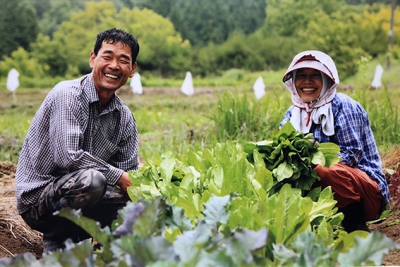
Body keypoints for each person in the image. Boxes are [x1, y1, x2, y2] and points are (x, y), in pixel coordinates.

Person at [15, 28, 140, 252]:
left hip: (83, 195)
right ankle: (58, 242)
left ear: (132, 70)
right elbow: (68, 158)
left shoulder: (124, 118)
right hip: (39, 201)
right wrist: (119, 176)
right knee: (91, 181)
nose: (114, 66)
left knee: (135, 198)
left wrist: (133, 185)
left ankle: (107, 245)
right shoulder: (68, 95)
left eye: (123, 61)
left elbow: (128, 178)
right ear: (93, 59)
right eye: (107, 56)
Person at [279, 50, 390, 233]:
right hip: (321, 190)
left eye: (315, 75)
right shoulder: (293, 113)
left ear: (327, 80)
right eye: (301, 76)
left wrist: (310, 157)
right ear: (293, 81)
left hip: (365, 192)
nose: (307, 81)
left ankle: (355, 225)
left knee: (325, 170)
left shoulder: (343, 106)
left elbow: (352, 155)